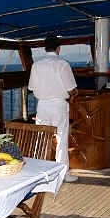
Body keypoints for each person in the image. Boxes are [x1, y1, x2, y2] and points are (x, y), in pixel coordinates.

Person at [28, 36, 78, 182]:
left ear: (45, 48)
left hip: (42, 106)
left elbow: (31, 87)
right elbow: (71, 89)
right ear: (58, 48)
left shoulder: (36, 65)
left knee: (41, 138)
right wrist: (75, 93)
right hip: (58, 106)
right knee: (61, 140)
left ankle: (40, 174)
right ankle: (62, 175)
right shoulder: (62, 64)